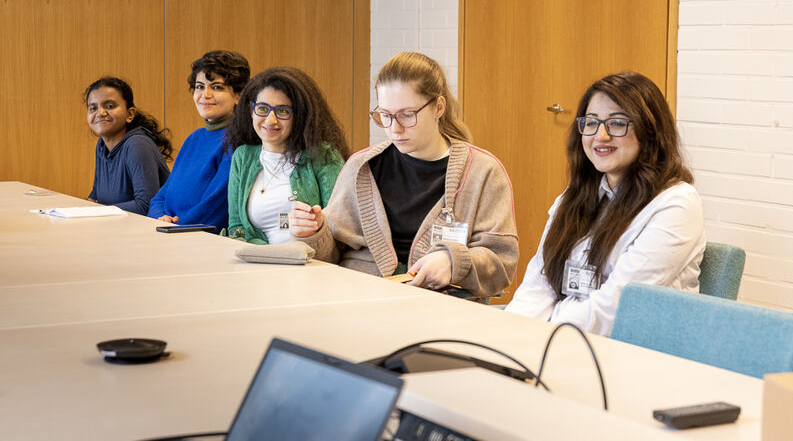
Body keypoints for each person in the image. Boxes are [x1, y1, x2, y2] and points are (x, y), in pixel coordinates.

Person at [289, 52, 518, 298]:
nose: (395, 129)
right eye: (385, 116)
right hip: (359, 302)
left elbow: (502, 264)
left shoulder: (482, 171)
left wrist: (454, 263)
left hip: (441, 308)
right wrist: (315, 232)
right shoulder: (361, 168)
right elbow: (330, 256)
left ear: (438, 107)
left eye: (407, 115)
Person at [505, 72, 706, 336]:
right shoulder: (574, 197)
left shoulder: (676, 205)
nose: (601, 135)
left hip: (635, 353)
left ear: (650, 131)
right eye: (591, 123)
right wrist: (508, 335)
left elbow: (615, 308)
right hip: (565, 341)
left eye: (617, 123)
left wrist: (544, 332)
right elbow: (539, 284)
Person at [225, 67, 349, 244]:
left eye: (282, 111)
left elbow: (341, 224)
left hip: (312, 263)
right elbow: (237, 228)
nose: (270, 120)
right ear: (251, 110)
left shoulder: (323, 156)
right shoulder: (242, 157)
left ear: (299, 116)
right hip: (258, 263)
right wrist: (266, 254)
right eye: (262, 108)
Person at [148, 50, 250, 232]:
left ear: (238, 96)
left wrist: (174, 228)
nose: (205, 94)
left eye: (217, 87)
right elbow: (160, 196)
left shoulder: (237, 141)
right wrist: (159, 218)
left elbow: (214, 209)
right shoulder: (194, 138)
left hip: (199, 241)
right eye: (200, 86)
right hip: (168, 232)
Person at [85, 77, 172, 215]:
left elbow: (146, 205)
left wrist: (98, 210)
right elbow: (96, 197)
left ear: (130, 114)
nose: (100, 113)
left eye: (109, 106)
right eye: (93, 108)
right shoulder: (101, 145)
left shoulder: (137, 145)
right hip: (117, 227)